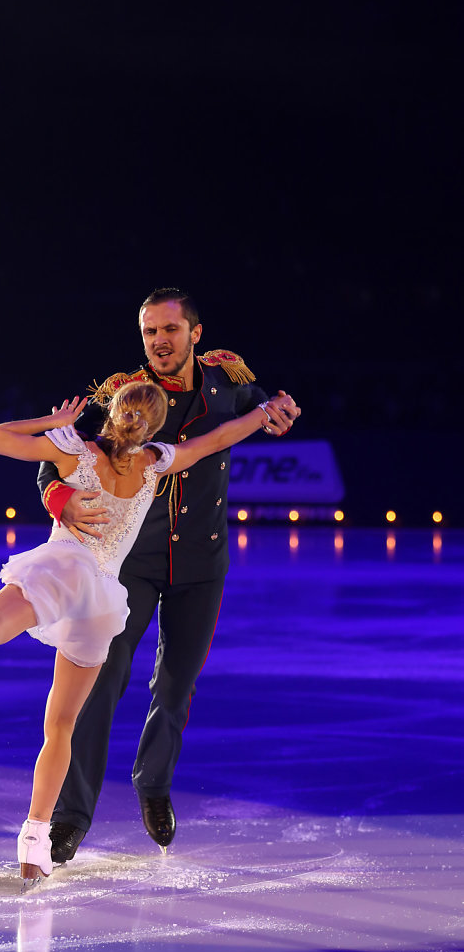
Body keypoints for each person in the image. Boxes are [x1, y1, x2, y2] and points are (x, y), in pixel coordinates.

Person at [0, 380, 295, 885]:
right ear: (157, 422)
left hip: (63, 570)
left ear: (112, 411)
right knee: (60, 727)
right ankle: (35, 838)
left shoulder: (74, 449)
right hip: (101, 602)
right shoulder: (156, 461)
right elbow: (215, 440)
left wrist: (51, 423)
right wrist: (265, 414)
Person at [38, 287, 301, 863]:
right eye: (150, 332)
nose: (159, 342)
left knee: (175, 689)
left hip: (202, 565)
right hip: (129, 563)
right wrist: (61, 498)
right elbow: (56, 455)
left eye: (170, 330)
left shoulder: (229, 384)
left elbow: (267, 407)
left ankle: (153, 784)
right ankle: (72, 816)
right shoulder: (122, 395)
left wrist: (279, 412)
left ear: (195, 335)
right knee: (100, 682)